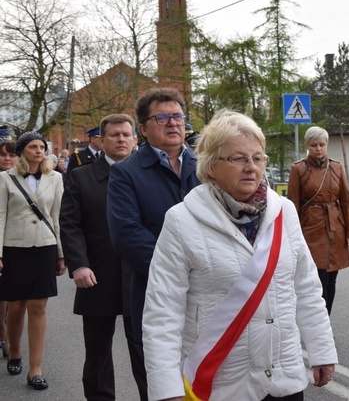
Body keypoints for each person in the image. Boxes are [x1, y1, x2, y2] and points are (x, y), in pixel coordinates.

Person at [142, 110, 337, 401]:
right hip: (222, 383)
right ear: (210, 166)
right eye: (237, 158)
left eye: (258, 158)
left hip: (283, 378)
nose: (251, 167)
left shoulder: (284, 212)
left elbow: (306, 288)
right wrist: (167, 389)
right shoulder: (181, 220)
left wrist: (322, 350)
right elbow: (163, 312)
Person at [60, 114, 148, 401]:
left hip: (141, 275)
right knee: (97, 353)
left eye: (126, 134)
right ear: (100, 140)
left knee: (147, 351)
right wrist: (79, 264)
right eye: (114, 135)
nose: (121, 139)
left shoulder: (148, 176)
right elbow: (70, 224)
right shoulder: (81, 177)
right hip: (97, 274)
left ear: (136, 139)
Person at [108, 88, 200, 345]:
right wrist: (177, 271)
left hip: (209, 292)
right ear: (143, 129)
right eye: (161, 118)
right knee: (161, 378)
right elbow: (127, 234)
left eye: (178, 116)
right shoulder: (125, 173)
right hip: (157, 289)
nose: (172, 123)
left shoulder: (208, 166)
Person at [0, 132, 66, 391]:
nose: (39, 151)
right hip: (14, 247)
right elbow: (0, 217)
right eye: (33, 147)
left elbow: (56, 216)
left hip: (45, 247)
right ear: (21, 151)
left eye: (42, 146)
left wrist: (61, 254)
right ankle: (14, 351)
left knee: (38, 307)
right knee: (16, 306)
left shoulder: (56, 178)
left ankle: (35, 369)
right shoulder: (5, 179)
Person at [288, 126, 349, 315]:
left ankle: (326, 320)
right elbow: (292, 205)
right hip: (310, 229)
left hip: (336, 228)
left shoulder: (336, 167)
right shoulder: (298, 169)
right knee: (318, 278)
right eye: (314, 145)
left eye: (322, 144)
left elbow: (347, 202)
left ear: (327, 145)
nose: (318, 149)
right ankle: (318, 322)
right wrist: (292, 236)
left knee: (332, 278)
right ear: (307, 146)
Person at [0, 140, 17, 359]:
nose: (7, 158)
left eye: (11, 155)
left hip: (13, 241)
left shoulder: (23, 180)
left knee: (9, 292)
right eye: (3, 155)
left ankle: (6, 334)